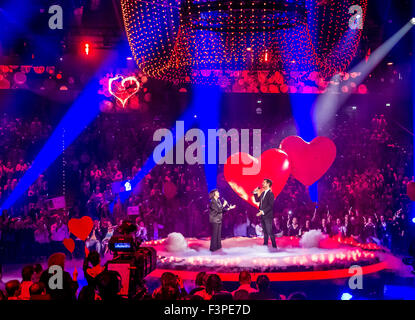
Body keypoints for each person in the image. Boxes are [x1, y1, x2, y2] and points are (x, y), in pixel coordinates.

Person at [254, 179, 277, 248]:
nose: (262, 184)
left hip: (268, 216)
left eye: (264, 182)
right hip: (262, 216)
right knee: (265, 232)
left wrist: (263, 211)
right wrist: (255, 193)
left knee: (269, 231)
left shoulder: (271, 194)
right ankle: (265, 245)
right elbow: (257, 200)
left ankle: (274, 246)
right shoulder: (263, 193)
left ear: (268, 184)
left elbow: (271, 206)